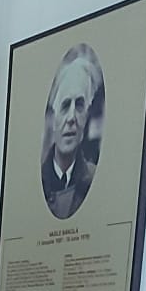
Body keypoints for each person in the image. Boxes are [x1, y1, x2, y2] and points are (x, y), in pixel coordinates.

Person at [41, 49, 101, 220]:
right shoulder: (36, 183)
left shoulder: (94, 181)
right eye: (65, 105)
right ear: (53, 117)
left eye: (79, 105)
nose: (71, 118)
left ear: (87, 115)